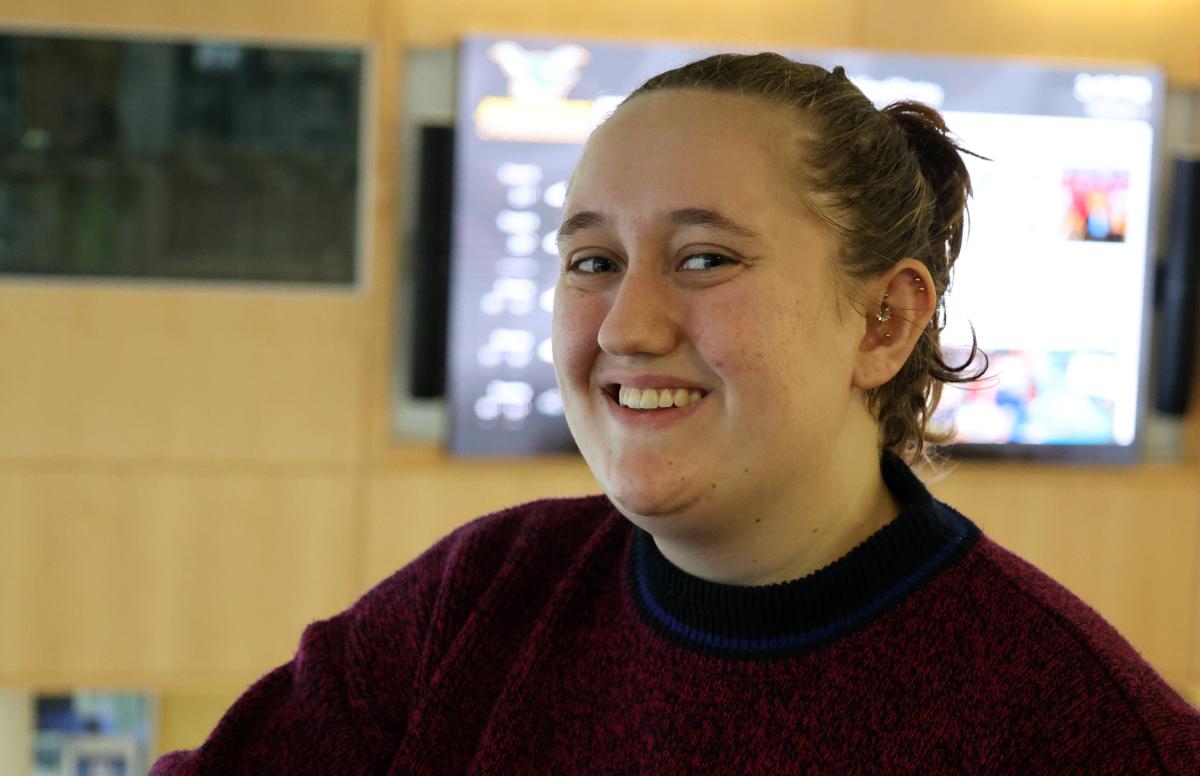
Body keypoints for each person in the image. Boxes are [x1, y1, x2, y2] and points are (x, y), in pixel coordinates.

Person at [152, 53, 1200, 774]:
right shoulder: (475, 602)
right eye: (592, 261)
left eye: (706, 258)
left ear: (883, 319)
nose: (626, 325)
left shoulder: (1076, 724)